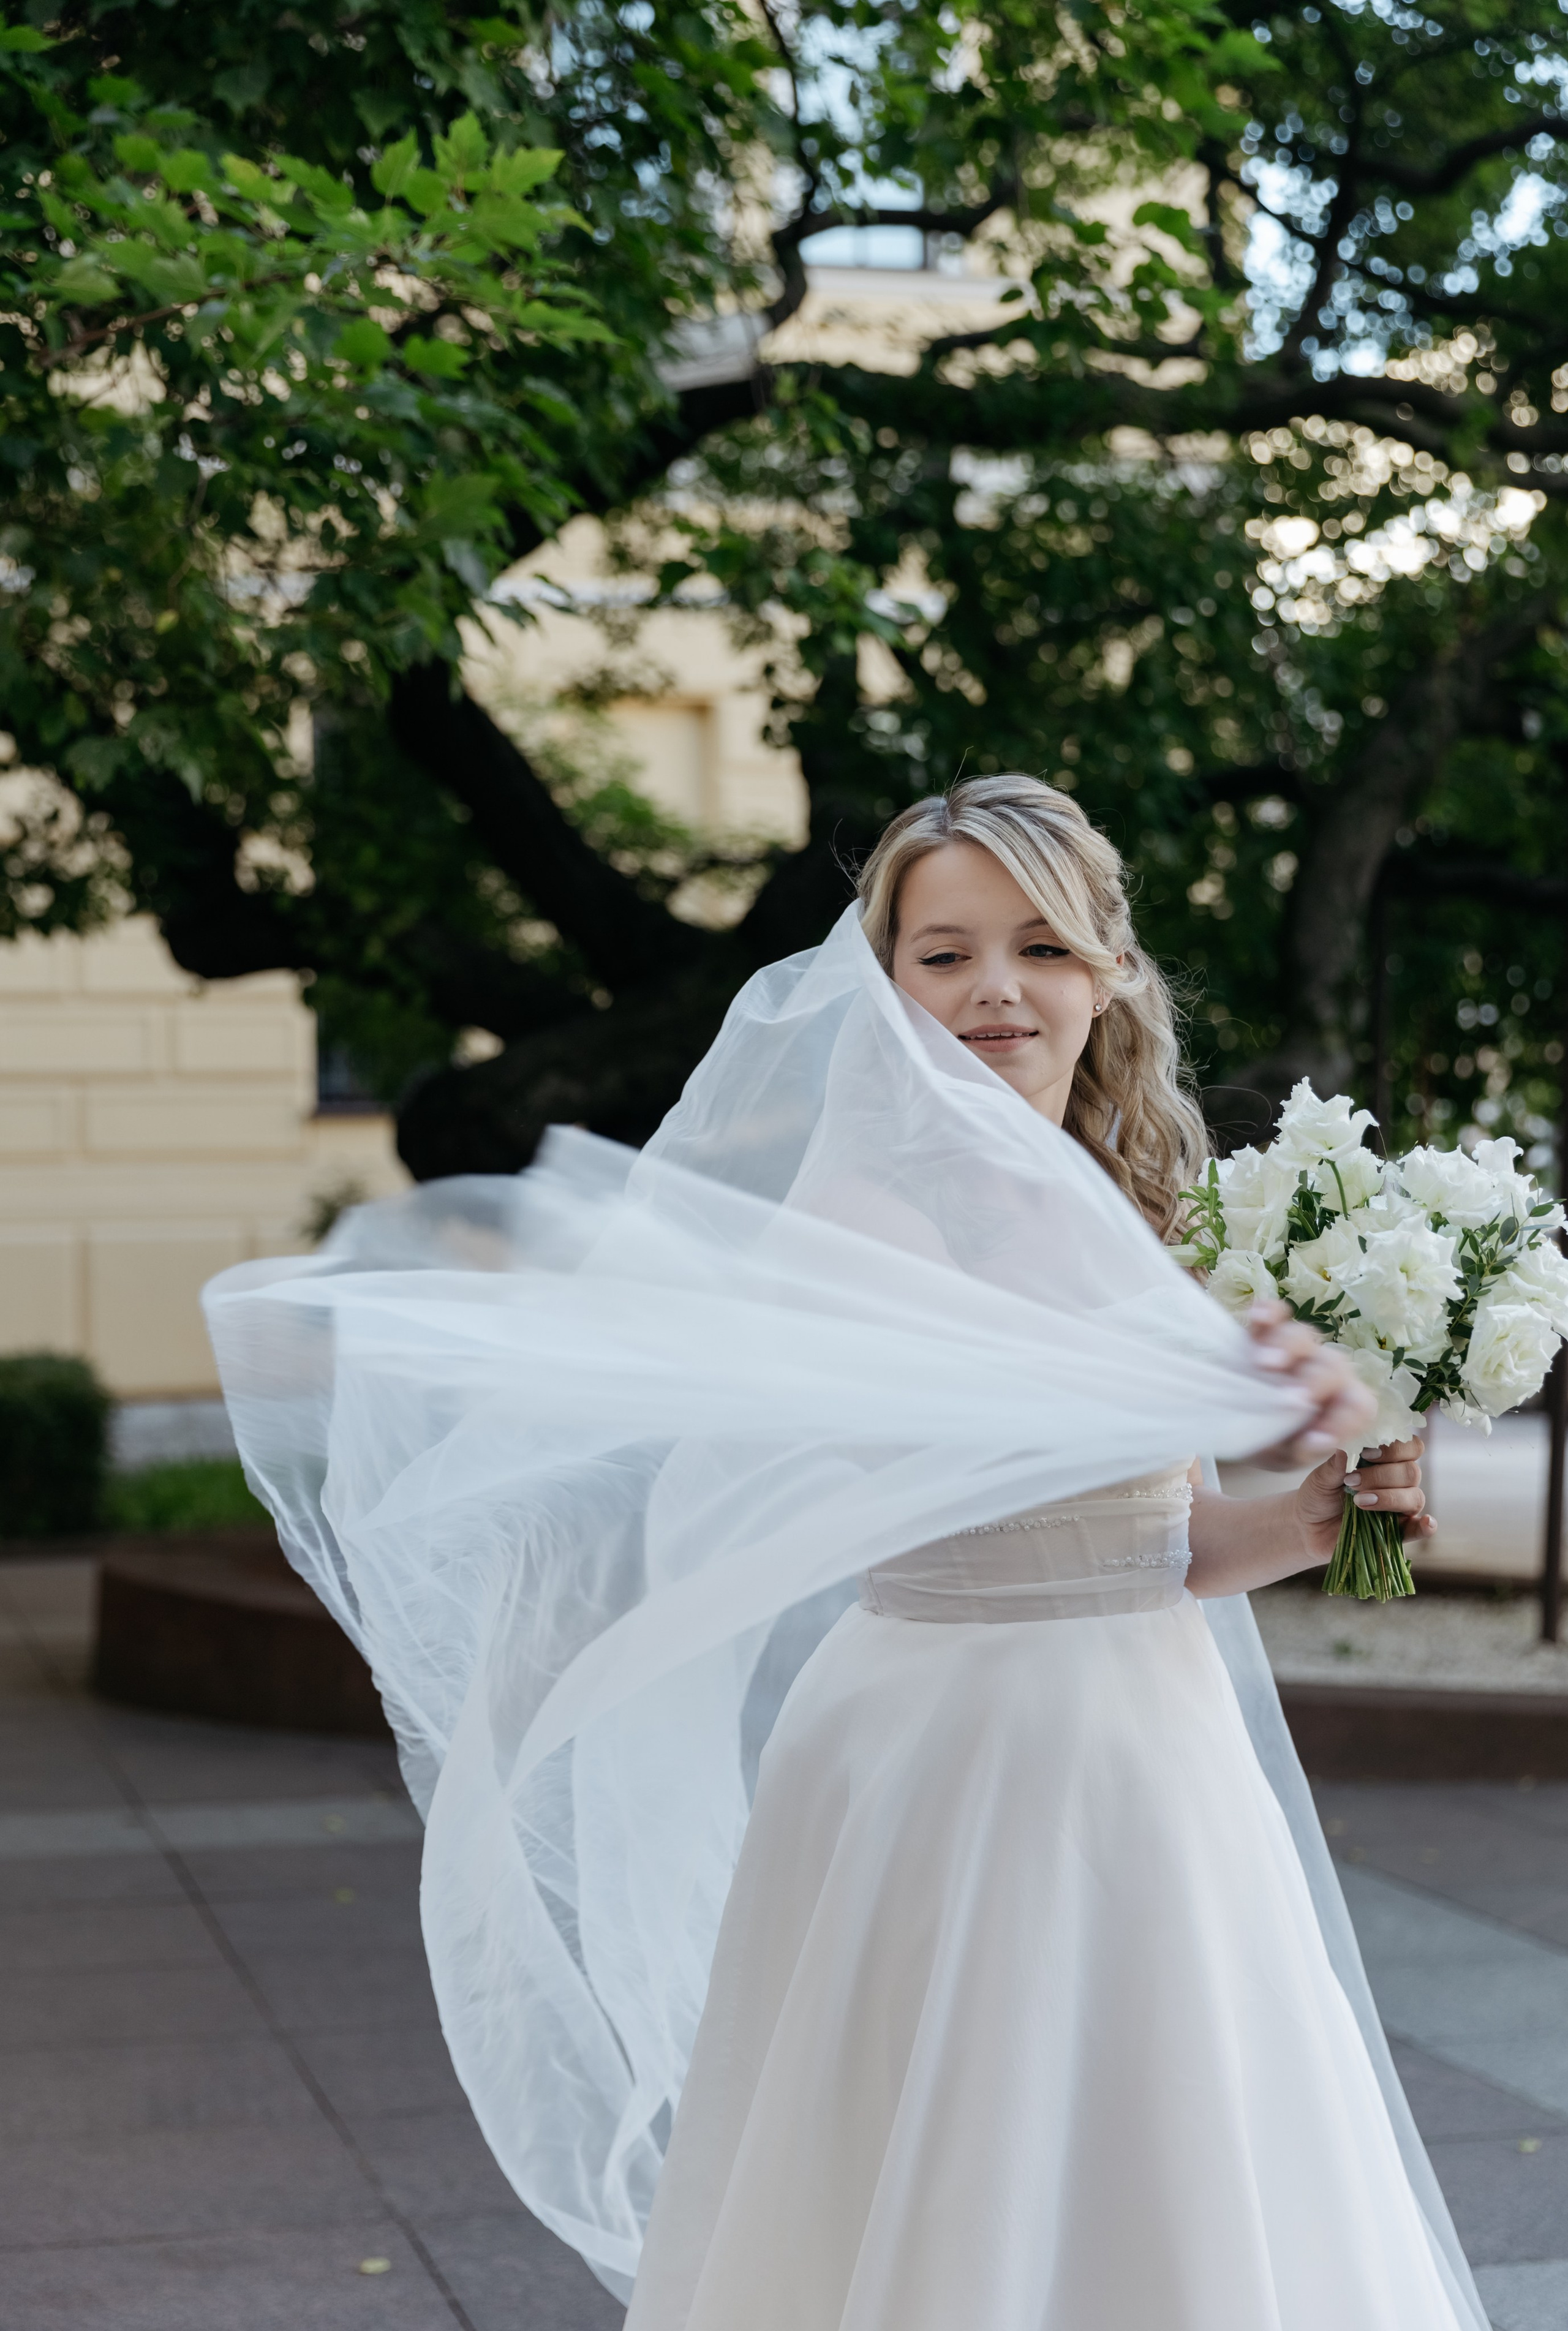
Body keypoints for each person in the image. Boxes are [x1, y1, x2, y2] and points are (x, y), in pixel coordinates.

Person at [204, 776, 1485, 2330]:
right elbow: (985, 1421)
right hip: (947, 1750)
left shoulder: (1141, 1206)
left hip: (1145, 1746)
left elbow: (1140, 1539)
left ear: (1107, 977)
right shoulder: (869, 1200)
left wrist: (1305, 1516)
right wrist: (1246, 1369)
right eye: (942, 955)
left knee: (1173, 2154)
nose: (994, 988)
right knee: (954, 2160)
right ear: (882, 987)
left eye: (1039, 947)